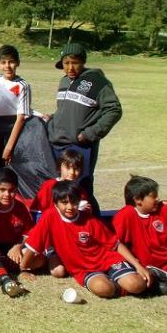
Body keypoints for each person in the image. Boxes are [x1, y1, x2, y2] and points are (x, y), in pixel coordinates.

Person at [20, 180, 151, 298]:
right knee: (103, 288)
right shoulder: (49, 217)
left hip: (107, 259)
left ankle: (151, 276)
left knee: (136, 285)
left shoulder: (89, 220)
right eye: (64, 203)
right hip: (83, 269)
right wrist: (23, 269)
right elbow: (33, 245)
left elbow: (115, 244)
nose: (70, 207)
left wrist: (137, 265)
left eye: (74, 202)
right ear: (55, 203)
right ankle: (117, 285)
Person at [47, 43, 122, 216]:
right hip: (59, 143)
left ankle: (94, 228)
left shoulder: (98, 82)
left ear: (83, 62)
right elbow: (66, 109)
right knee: (63, 189)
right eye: (66, 63)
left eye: (75, 62)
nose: (70, 67)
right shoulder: (64, 81)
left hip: (81, 145)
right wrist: (52, 119)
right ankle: (67, 228)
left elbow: (114, 110)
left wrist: (90, 134)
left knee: (83, 188)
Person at [0, 167, 30, 297]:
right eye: (2, 190)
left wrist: (18, 246)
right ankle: (5, 279)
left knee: (33, 255)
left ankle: (20, 268)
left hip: (13, 248)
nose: (7, 195)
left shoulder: (20, 207)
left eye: (11, 190)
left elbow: (28, 233)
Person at [0, 45, 31, 164]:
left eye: (11, 62)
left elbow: (21, 118)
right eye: (3, 62)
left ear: (18, 63)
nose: (7, 66)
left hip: (7, 133)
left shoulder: (23, 86)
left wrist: (8, 148)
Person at [30, 149, 92, 216]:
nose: (72, 172)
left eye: (76, 169)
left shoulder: (81, 191)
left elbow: (84, 215)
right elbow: (38, 211)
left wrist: (87, 211)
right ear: (59, 168)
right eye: (68, 168)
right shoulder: (49, 186)